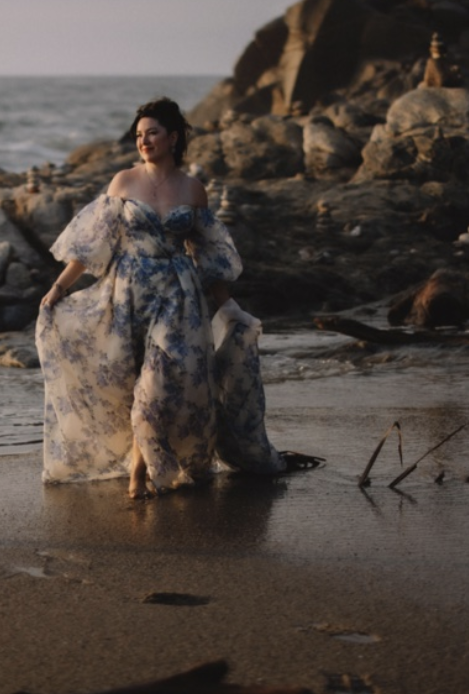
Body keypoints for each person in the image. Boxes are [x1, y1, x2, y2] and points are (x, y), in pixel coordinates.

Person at [36, 97, 315, 499]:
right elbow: (92, 245)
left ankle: (147, 473)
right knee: (132, 387)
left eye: (152, 133)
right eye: (138, 135)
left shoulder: (192, 189)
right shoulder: (123, 182)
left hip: (178, 296)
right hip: (126, 295)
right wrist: (59, 288)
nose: (144, 141)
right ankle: (139, 471)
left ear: (174, 137)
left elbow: (207, 254)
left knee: (158, 388)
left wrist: (228, 306)